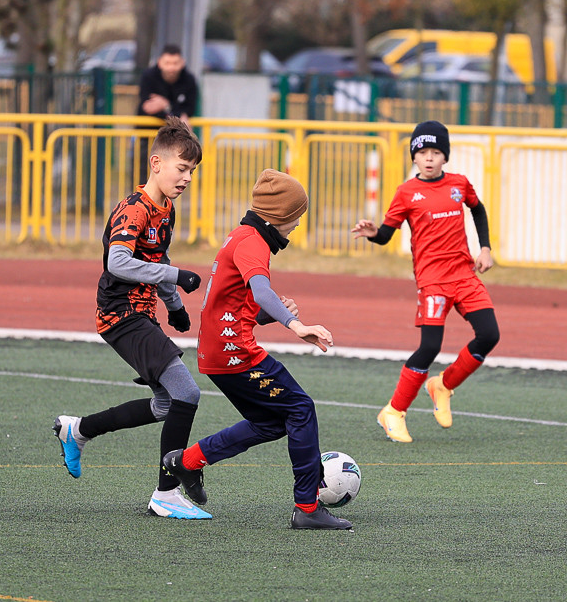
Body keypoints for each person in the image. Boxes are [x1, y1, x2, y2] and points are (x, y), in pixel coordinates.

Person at [162, 169, 353, 530]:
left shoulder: (241, 235)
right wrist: (296, 325)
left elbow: (236, 303)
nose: (297, 224)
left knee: (270, 423)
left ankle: (186, 462)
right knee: (300, 409)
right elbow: (261, 290)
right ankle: (307, 508)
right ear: (278, 215)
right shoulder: (253, 242)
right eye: (295, 216)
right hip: (234, 351)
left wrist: (269, 315)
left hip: (217, 352)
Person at [53, 116, 210, 520]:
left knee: (166, 404)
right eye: (182, 168)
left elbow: (157, 258)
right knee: (187, 394)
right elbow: (119, 262)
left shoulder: (166, 209)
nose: (187, 178)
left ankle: (78, 430)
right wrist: (176, 276)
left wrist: (174, 305)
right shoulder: (134, 209)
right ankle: (167, 493)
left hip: (142, 313)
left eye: (192, 171)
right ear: (156, 163)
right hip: (121, 314)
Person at [352, 120, 499, 443]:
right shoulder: (406, 193)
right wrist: (373, 233)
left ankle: (443, 385)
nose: (429, 158)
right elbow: (386, 234)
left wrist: (485, 248)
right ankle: (393, 411)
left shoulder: (460, 183)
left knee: (489, 334)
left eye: (435, 152)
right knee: (430, 347)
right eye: (422, 152)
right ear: (414, 157)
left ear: (445, 156)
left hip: (464, 275)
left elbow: (478, 211)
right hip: (432, 281)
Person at [137, 44, 199, 126]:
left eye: (175, 63)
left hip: (175, 132)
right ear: (159, 62)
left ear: (182, 63)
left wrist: (166, 106)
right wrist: (177, 114)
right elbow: (147, 107)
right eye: (167, 63)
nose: (171, 68)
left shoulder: (189, 79)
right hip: (146, 129)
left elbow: (190, 110)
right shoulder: (148, 77)